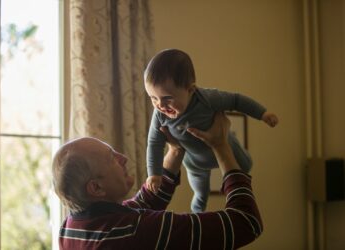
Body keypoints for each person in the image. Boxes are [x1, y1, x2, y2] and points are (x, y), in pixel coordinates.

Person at [52, 112, 263, 249]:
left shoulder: (71, 228)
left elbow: (142, 203)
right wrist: (221, 146)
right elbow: (246, 222)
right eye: (112, 159)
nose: (123, 159)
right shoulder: (137, 232)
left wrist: (175, 150)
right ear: (96, 188)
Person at [145, 48, 278, 212]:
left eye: (168, 98)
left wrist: (263, 113)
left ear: (190, 90)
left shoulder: (207, 99)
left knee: (246, 166)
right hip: (195, 163)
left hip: (226, 145)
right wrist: (154, 173)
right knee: (201, 192)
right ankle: (198, 213)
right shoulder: (160, 115)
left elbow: (236, 100)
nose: (160, 105)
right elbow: (154, 143)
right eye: (153, 98)